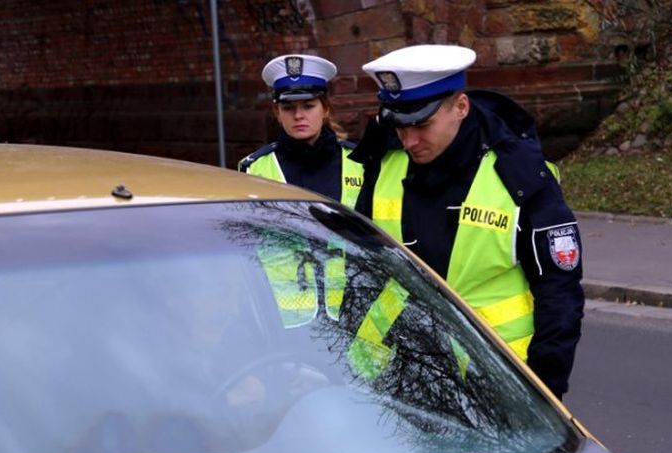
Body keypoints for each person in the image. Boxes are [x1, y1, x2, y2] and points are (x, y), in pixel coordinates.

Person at [349, 44, 583, 399]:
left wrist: (544, 392)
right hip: (390, 377)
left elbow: (560, 292)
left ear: (460, 107)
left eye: (421, 125)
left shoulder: (519, 175)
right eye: (399, 126)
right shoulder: (384, 162)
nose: (409, 140)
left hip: (495, 385)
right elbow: (362, 263)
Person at [238, 54, 363, 208]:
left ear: (325, 109)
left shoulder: (359, 161)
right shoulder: (254, 167)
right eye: (288, 108)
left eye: (308, 106)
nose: (298, 116)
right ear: (277, 113)